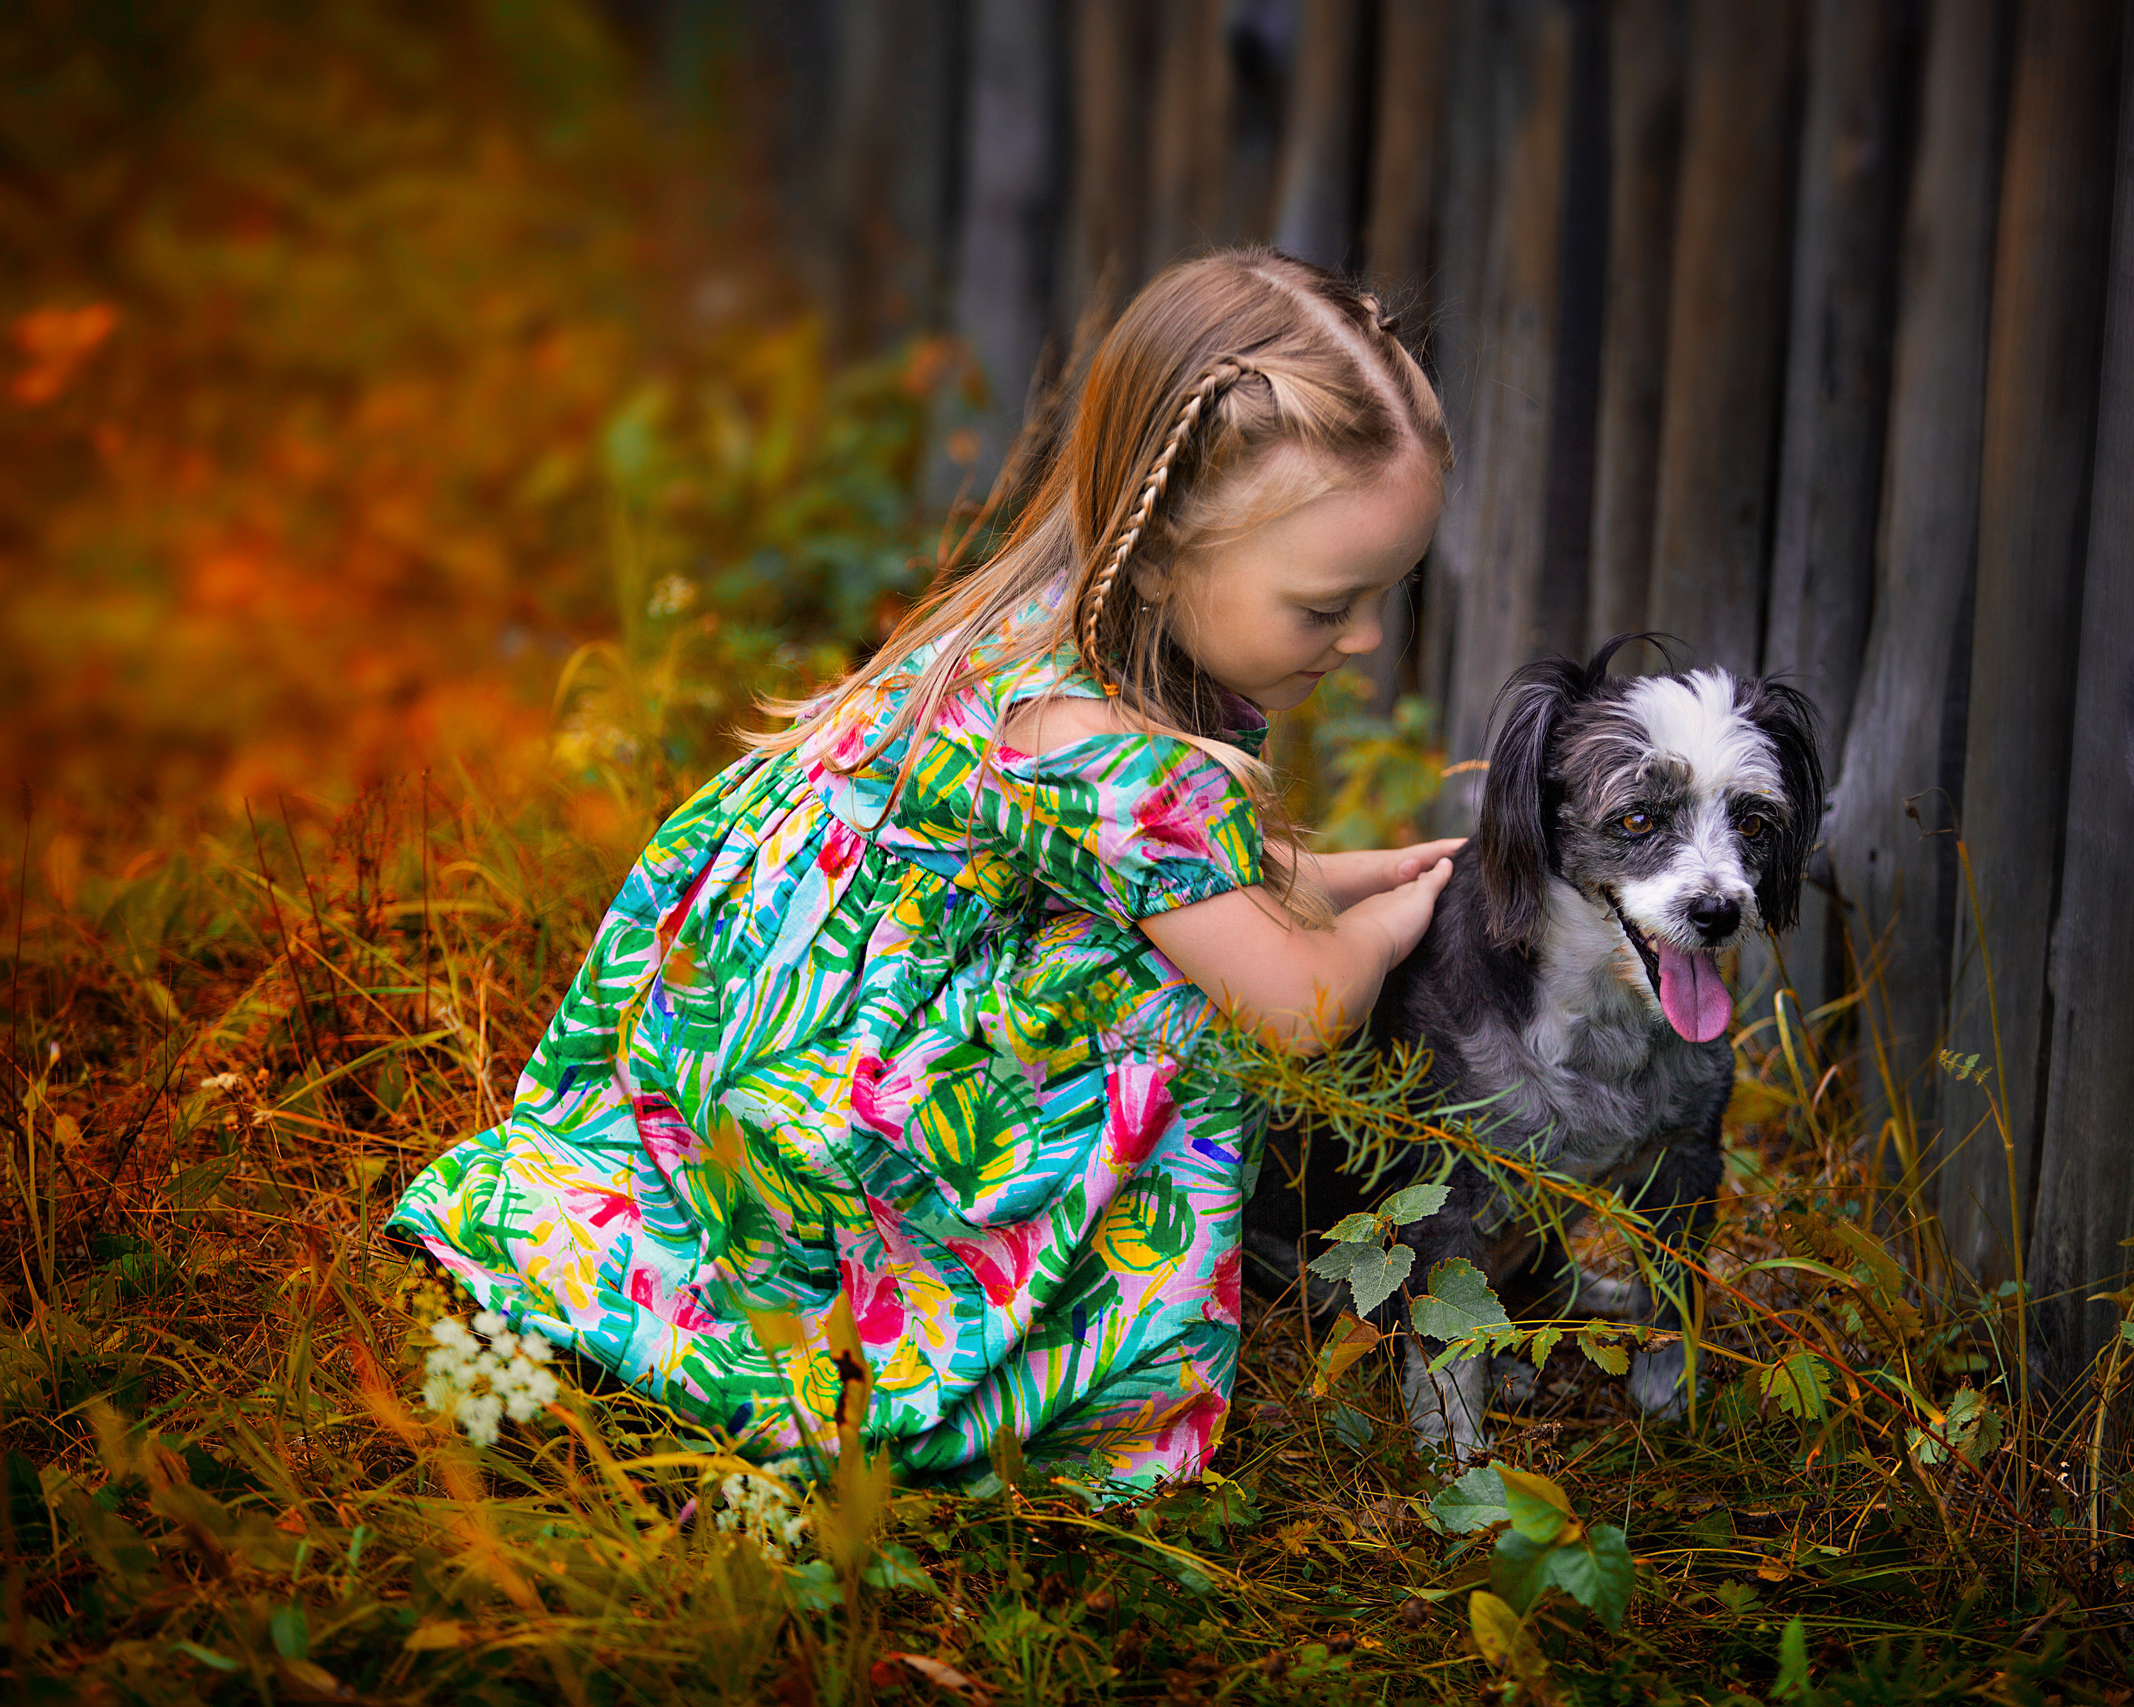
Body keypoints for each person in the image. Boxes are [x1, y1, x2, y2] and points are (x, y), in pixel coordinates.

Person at [387, 246, 1460, 1494]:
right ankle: (996, 1357)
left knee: (1168, 950)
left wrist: (1351, 872)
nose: (1365, 636)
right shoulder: (1116, 757)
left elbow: (1173, 877)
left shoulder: (1032, 634)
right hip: (851, 1125)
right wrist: (1392, 926)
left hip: (734, 1050)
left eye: (1387, 593)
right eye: (1328, 606)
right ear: (1166, 549)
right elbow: (1297, 1005)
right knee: (1180, 1009)